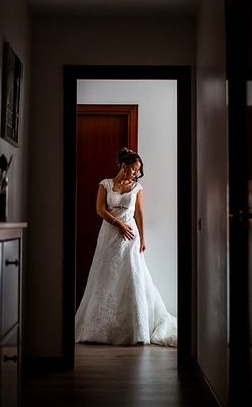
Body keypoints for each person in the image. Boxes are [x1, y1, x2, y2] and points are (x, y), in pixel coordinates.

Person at [75, 148, 177, 347]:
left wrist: (143, 238)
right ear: (124, 167)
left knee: (131, 275)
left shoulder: (137, 188)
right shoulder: (105, 184)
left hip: (130, 238)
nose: (136, 175)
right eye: (134, 170)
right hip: (109, 236)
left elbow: (139, 213)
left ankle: (135, 328)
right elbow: (100, 210)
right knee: (104, 276)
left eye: (138, 171)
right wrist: (119, 224)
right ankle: (98, 327)